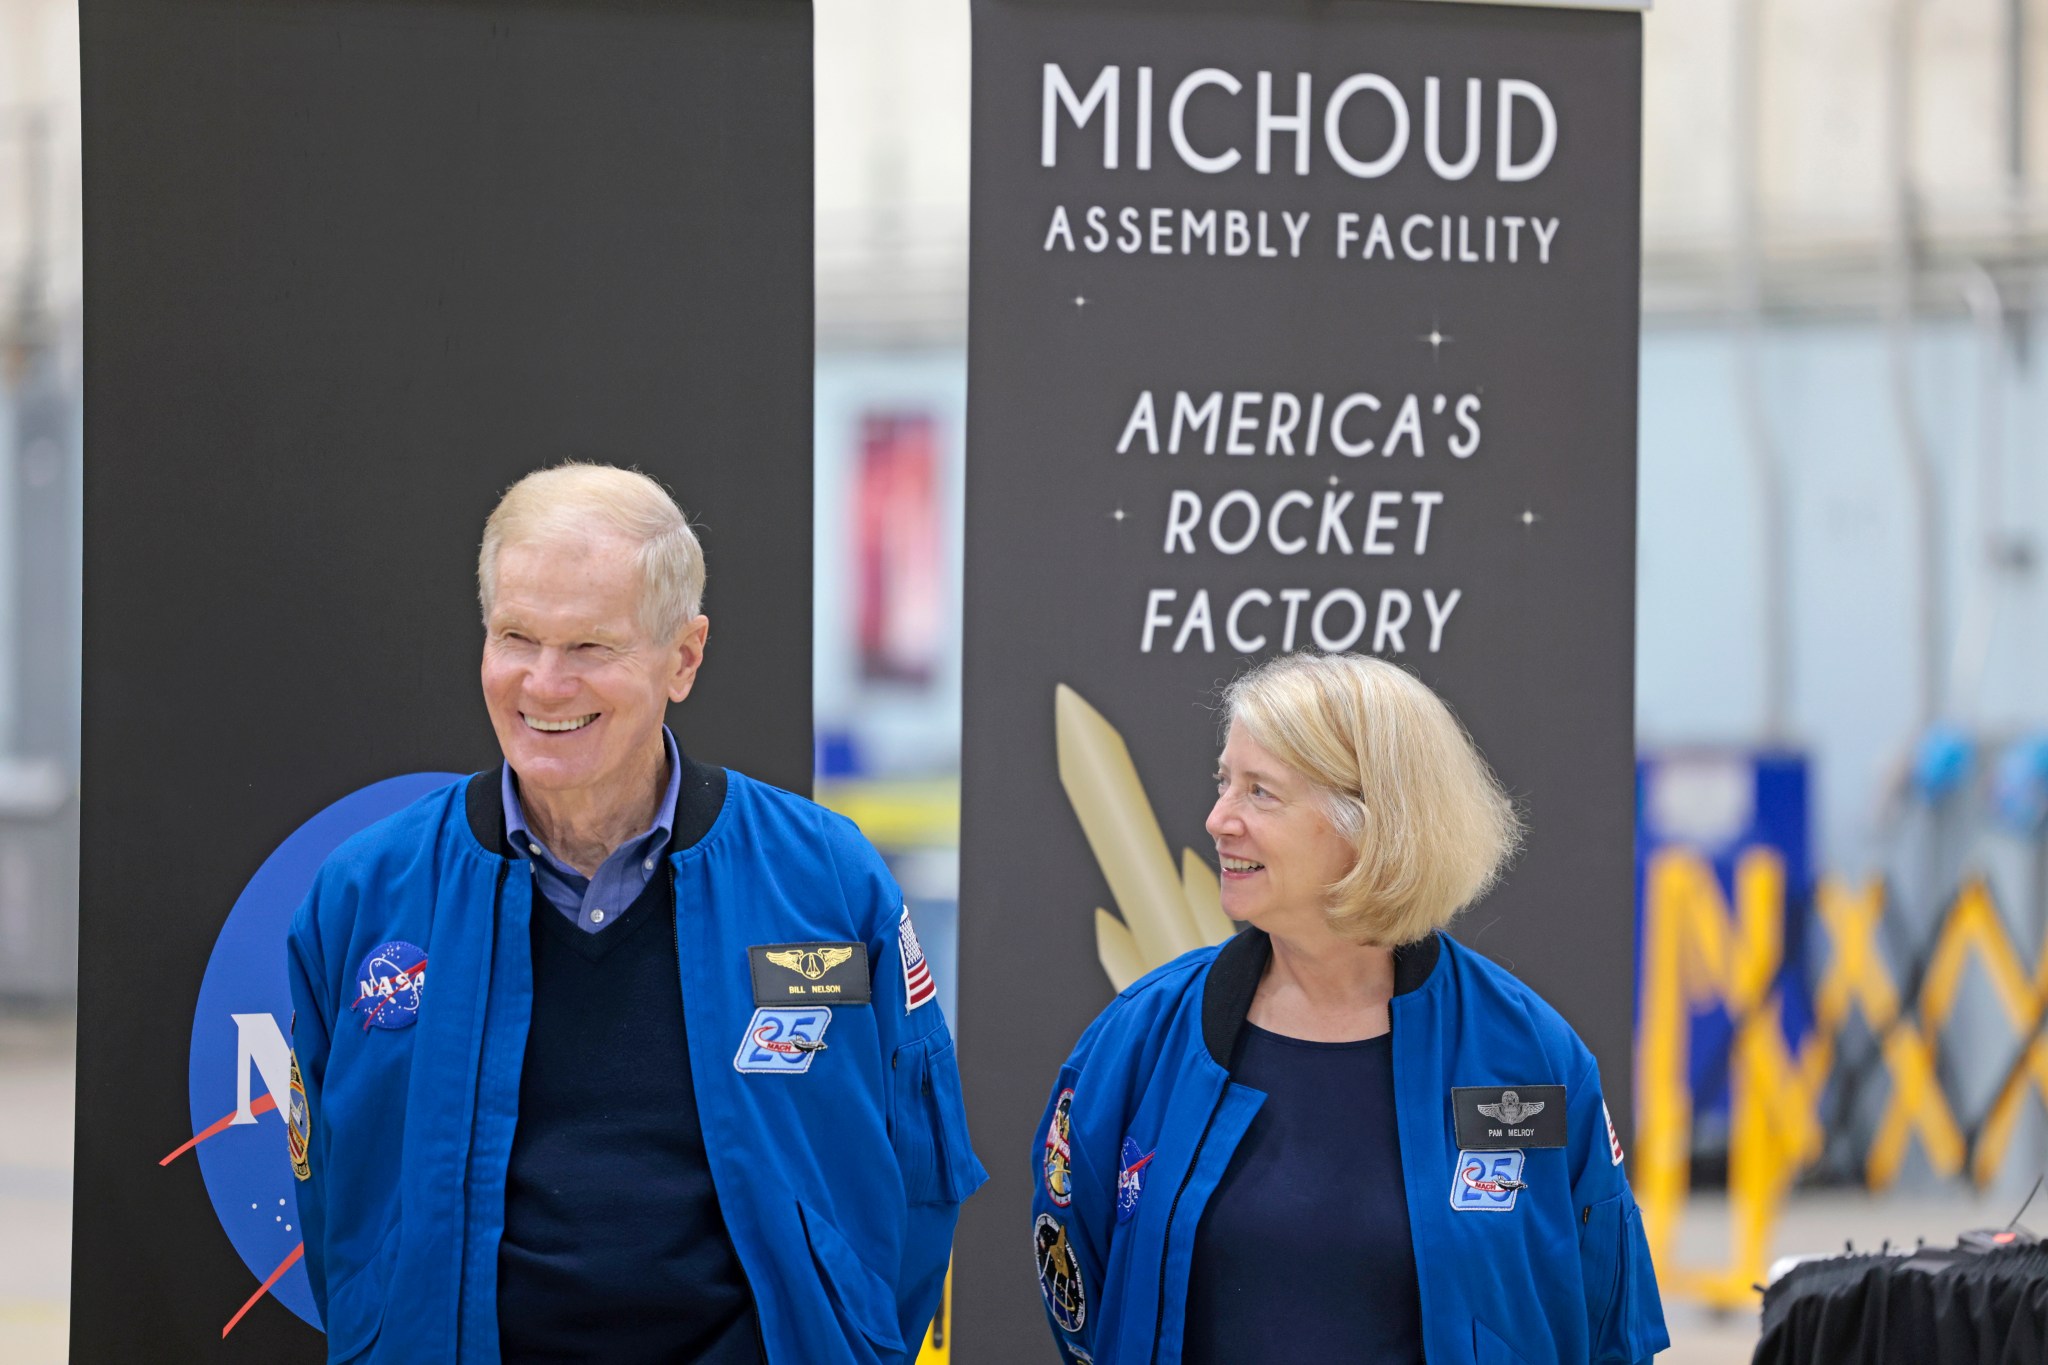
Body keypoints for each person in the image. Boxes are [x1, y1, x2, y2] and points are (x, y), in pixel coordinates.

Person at [288, 463, 985, 1365]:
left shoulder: (826, 880)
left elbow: (921, 1171)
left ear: (683, 657)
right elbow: (328, 1189)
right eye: (516, 637)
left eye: (589, 647)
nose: (543, 683)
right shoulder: (364, 894)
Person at [1030, 652, 1667, 1365]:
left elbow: (1608, 1319)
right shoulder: (1140, 1039)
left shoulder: (1529, 1054)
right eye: (1223, 782)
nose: (1217, 819)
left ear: (1369, 825)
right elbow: (1075, 1280)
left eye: (1260, 792)